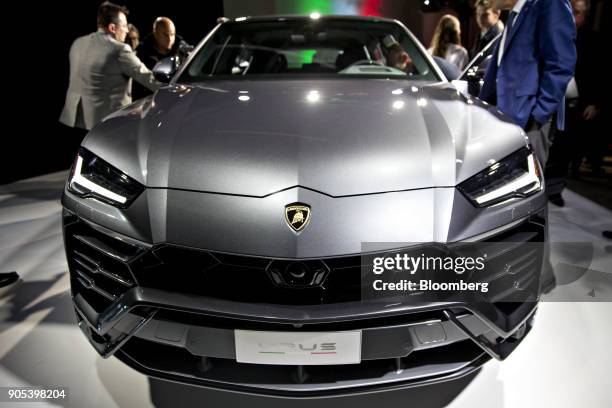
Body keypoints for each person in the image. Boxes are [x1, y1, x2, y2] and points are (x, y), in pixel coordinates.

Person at [479, 0, 576, 168]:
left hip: (530, 119)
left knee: (525, 187)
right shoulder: (516, 14)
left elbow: (561, 63)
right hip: (507, 116)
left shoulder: (550, 3)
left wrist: (539, 114)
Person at [59, 1, 160, 138]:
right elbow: (150, 79)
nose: (127, 30)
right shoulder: (119, 50)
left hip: (72, 119)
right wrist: (177, 88)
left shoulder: (78, 43)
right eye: (124, 26)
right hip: (104, 127)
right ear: (113, 28)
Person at [546, 0, 603, 206]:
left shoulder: (592, 40)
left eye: (578, 13)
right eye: (571, 11)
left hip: (575, 103)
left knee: (565, 148)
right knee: (546, 146)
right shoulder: (554, 34)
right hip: (550, 100)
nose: (573, 17)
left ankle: (554, 189)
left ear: (585, 16)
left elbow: (600, 75)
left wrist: (594, 103)